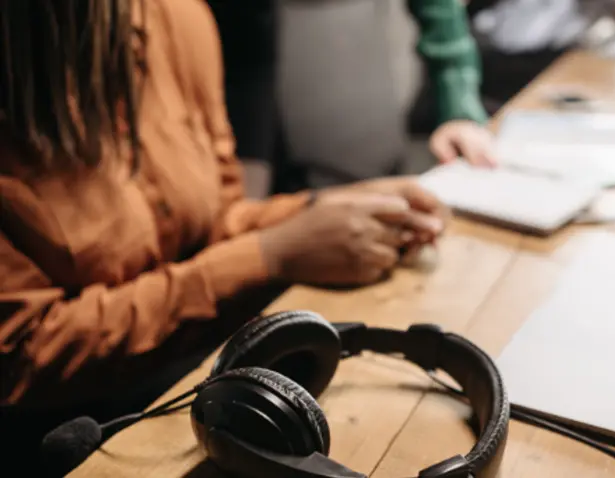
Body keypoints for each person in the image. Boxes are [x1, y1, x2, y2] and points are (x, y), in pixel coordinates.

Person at [0, 0, 449, 468]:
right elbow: (24, 356)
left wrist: (323, 211)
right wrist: (271, 255)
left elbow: (212, 221)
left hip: (199, 376)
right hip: (80, 431)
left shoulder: (175, 17)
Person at [207, 0, 497, 194]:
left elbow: (441, 15)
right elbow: (244, 50)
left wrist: (458, 109)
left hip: (374, 123)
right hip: (267, 137)